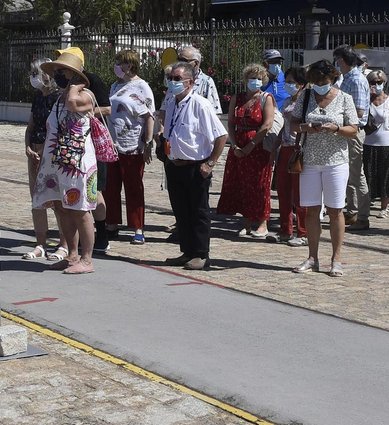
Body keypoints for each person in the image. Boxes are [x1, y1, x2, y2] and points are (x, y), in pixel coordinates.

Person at [291, 59, 360, 277]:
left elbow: (354, 129)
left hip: (336, 161)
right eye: (316, 82)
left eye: (324, 82)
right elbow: (293, 124)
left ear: (333, 79)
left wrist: (337, 128)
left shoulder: (344, 98)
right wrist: (305, 127)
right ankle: (312, 257)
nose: (320, 86)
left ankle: (336, 259)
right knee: (311, 210)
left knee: (335, 210)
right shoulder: (306, 96)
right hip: (310, 160)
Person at [34, 51, 100, 274]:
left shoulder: (84, 95)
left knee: (80, 209)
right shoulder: (59, 98)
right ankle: (72, 254)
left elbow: (74, 104)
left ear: (72, 73)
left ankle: (87, 259)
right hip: (59, 160)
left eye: (60, 71)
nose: (56, 75)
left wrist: (75, 85)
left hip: (78, 161)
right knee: (63, 207)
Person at [159, 60, 228, 271]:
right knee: (181, 211)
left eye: (177, 79)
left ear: (190, 82)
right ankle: (187, 251)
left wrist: (210, 163)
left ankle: (201, 254)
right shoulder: (171, 103)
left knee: (199, 211)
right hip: (174, 164)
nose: (172, 82)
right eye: (170, 78)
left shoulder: (200, 104)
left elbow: (221, 136)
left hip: (195, 166)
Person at [216, 63, 276, 238]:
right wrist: (234, 145)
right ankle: (246, 223)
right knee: (241, 184)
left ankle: (263, 223)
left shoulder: (266, 98)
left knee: (259, 185)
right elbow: (231, 123)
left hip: (258, 148)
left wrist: (251, 145)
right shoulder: (238, 97)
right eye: (252, 78)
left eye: (258, 79)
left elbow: (267, 124)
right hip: (238, 146)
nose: (255, 82)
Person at [103, 49, 155, 247]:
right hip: (113, 143)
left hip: (133, 144)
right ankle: (112, 223)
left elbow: (149, 115)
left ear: (130, 65)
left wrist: (148, 143)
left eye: (120, 62)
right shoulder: (115, 86)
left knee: (133, 187)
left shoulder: (142, 87)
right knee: (111, 186)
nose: (117, 66)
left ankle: (138, 228)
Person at [21, 59, 66, 263]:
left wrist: (47, 151)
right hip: (36, 152)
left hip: (52, 154)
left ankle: (64, 244)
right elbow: (31, 126)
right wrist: (28, 147)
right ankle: (40, 244)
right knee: (37, 201)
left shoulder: (58, 98)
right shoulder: (38, 97)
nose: (33, 77)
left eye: (36, 72)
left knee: (57, 201)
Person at [333, 47, 371, 231]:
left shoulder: (356, 80)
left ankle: (363, 216)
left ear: (341, 60)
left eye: (337, 60)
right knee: (348, 174)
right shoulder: (347, 79)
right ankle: (352, 211)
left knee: (357, 175)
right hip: (345, 130)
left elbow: (359, 111)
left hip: (353, 131)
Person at [273, 65, 310, 246]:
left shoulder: (307, 102)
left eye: (291, 82)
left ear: (301, 84)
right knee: (283, 191)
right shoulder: (287, 101)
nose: (287, 85)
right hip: (285, 148)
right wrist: (276, 145)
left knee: (299, 193)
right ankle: (285, 229)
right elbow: (283, 125)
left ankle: (302, 232)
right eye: (285, 82)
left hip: (299, 150)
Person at [362, 68, 389, 218]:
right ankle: (367, 202)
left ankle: (384, 207)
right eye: (373, 82)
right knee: (368, 174)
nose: (376, 85)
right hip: (368, 142)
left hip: (385, 142)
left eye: (379, 82)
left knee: (385, 174)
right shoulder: (365, 100)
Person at [173, 44, 223, 116]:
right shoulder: (175, 80)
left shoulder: (206, 82)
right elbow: (165, 109)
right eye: (179, 60)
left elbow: (215, 113)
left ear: (196, 63)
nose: (180, 64)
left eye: (184, 60)